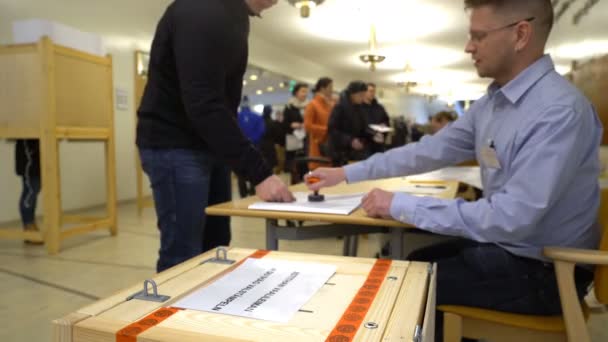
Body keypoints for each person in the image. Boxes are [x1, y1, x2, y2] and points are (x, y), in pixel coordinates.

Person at [306, 1, 601, 340]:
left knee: (404, 285)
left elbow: (511, 217)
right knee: (412, 261)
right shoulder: (493, 104)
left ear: (521, 34)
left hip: (547, 271)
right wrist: (348, 173)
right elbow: (431, 150)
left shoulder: (558, 111)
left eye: (479, 36)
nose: (468, 47)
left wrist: (399, 204)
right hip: (516, 250)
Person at [136, 0, 293, 273]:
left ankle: (204, 312)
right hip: (176, 144)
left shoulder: (235, 16)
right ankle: (175, 316)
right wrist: (259, 172)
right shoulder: (203, 10)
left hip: (207, 144)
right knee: (183, 255)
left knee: (216, 246)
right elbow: (203, 102)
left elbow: (220, 103)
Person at [327, 81, 370, 166]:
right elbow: (332, 130)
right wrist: (350, 141)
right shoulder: (340, 107)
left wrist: (373, 134)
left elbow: (363, 127)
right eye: (361, 95)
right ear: (352, 94)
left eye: (364, 95)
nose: (363, 98)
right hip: (340, 152)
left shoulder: (360, 107)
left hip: (355, 151)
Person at [15, 139, 43, 245]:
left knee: (33, 190)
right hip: (28, 159)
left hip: (34, 159)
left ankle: (30, 223)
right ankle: (28, 225)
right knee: (31, 192)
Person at [237, 96, 266, 197]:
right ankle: (254, 192)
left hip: (240, 148)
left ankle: (243, 194)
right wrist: (252, 141)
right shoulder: (257, 117)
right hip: (255, 147)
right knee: (254, 169)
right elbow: (262, 131)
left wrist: (243, 141)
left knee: (240, 172)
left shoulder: (236, 116)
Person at [304, 77, 334, 170]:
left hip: (329, 145)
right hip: (318, 145)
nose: (332, 90)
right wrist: (326, 130)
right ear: (322, 88)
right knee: (318, 174)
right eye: (330, 87)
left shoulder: (329, 105)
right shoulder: (312, 105)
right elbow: (308, 126)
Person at [283, 83, 309, 182]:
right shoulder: (289, 106)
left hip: (306, 139)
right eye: (302, 91)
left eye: (306, 91)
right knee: (295, 168)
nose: (305, 94)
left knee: (306, 166)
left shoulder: (309, 105)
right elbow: (285, 125)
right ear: (296, 92)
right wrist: (293, 125)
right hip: (293, 140)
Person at [362, 83, 391, 154]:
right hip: (365, 144)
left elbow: (386, 121)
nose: (372, 93)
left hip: (379, 143)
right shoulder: (358, 107)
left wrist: (384, 126)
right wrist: (372, 134)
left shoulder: (380, 108)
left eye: (374, 91)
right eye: (370, 91)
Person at [259, 105, 283, 174]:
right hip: (270, 146)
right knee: (270, 166)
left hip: (260, 146)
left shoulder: (259, 122)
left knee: (262, 165)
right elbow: (277, 135)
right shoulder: (272, 123)